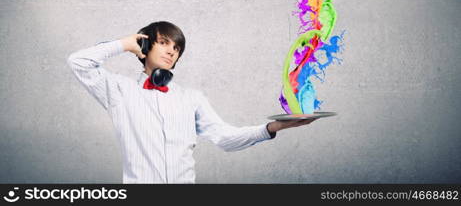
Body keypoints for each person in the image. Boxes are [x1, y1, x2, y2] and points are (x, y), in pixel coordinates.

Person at [67, 21, 318, 183]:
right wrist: (124, 44)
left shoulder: (191, 98)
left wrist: (274, 128)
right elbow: (78, 62)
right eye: (163, 43)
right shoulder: (119, 90)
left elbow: (225, 137)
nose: (171, 51)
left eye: (176, 48)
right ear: (145, 45)